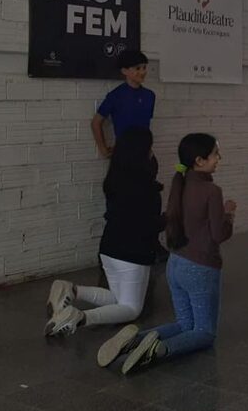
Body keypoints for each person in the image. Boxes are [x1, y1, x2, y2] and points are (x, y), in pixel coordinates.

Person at [97, 133, 236, 375]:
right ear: (199, 160)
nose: (219, 158)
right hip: (201, 268)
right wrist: (229, 215)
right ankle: (158, 350)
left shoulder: (179, 185)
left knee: (184, 323)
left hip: (175, 264)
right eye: (215, 154)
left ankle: (136, 340)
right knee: (204, 332)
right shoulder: (212, 191)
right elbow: (218, 234)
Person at [45, 127, 164, 336]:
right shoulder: (148, 189)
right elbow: (149, 226)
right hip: (133, 253)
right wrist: (169, 219)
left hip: (109, 247)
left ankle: (72, 290)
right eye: (149, 148)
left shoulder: (114, 181)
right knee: (131, 308)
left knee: (117, 299)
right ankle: (78, 318)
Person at [91, 50, 155, 159]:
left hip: (145, 153)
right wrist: (103, 149)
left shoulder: (150, 95)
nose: (142, 72)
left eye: (144, 67)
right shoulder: (115, 96)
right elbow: (95, 122)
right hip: (124, 153)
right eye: (137, 68)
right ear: (124, 71)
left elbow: (145, 125)